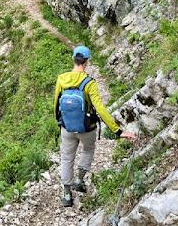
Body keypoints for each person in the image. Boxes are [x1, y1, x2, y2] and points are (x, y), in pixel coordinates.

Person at [54, 45, 136, 207]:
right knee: (88, 149)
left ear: (73, 59)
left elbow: (56, 104)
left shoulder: (61, 79)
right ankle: (80, 179)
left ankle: (67, 194)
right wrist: (118, 131)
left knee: (67, 158)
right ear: (87, 61)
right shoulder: (89, 82)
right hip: (87, 127)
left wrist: (61, 123)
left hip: (67, 127)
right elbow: (100, 109)